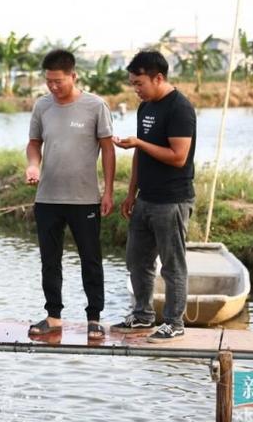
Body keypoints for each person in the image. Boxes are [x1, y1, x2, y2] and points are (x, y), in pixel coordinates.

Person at [25, 49, 115, 340]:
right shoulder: (42, 107)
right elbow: (34, 143)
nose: (53, 87)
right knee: (50, 261)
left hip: (85, 199)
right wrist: (33, 165)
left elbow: (108, 150)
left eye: (59, 81)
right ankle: (53, 317)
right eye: (49, 81)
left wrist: (109, 191)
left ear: (74, 76)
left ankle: (94, 318)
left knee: (91, 259)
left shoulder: (95, 106)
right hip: (47, 198)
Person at [111, 51, 196, 343]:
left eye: (139, 83)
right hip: (146, 198)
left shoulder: (180, 108)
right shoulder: (145, 107)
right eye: (133, 84)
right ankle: (142, 315)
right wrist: (131, 192)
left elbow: (178, 157)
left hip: (172, 200)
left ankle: (174, 322)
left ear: (158, 77)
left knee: (172, 265)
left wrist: (139, 143)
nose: (136, 89)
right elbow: (140, 153)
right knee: (137, 261)